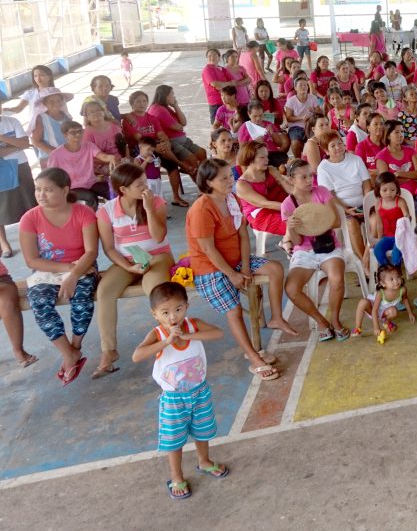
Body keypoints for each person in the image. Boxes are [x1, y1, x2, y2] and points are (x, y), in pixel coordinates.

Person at [185, 158, 284, 381]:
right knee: (234, 311)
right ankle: (253, 357)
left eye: (231, 176)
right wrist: (232, 274)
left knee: (275, 268)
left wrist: (246, 268)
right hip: (210, 268)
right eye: (224, 178)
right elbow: (208, 250)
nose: (231, 181)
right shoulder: (201, 209)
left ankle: (276, 317)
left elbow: (242, 234)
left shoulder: (232, 200)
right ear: (209, 182)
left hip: (236, 260)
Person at [131, 282, 227, 500]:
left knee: (202, 430)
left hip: (200, 391)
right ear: (155, 314)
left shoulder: (193, 325)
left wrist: (187, 336)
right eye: (165, 312)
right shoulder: (156, 333)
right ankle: (176, 476)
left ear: (186, 306)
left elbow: (218, 333)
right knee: (174, 440)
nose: (172, 317)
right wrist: (167, 342)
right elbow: (137, 356)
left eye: (178, 309)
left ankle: (204, 462)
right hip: (173, 399)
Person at [92, 163, 180, 378]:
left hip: (158, 257)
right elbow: (109, 249)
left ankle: (169, 340)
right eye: (139, 184)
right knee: (105, 291)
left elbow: (158, 237)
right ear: (123, 189)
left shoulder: (155, 201)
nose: (145, 186)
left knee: (156, 290)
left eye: (145, 181)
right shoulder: (107, 211)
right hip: (126, 261)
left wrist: (149, 208)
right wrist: (128, 266)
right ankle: (109, 351)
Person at [18, 168, 99, 384]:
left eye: (48, 190)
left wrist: (75, 273)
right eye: (38, 189)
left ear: (65, 190)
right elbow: (31, 260)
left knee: (82, 299)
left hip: (83, 267)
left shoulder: (84, 213)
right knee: (39, 301)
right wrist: (67, 270)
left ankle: (76, 345)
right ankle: (68, 353)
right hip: (47, 270)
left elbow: (91, 252)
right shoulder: (30, 218)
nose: (41, 195)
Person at [280, 159, 350, 340]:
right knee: (291, 288)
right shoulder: (287, 205)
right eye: (303, 177)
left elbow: (335, 222)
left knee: (336, 278)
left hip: (327, 245)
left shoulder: (322, 192)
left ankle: (335, 321)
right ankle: (322, 322)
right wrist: (293, 227)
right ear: (291, 180)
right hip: (304, 251)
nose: (309, 180)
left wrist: (314, 221)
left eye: (310, 175)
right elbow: (296, 241)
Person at [0, 97, 36, 257]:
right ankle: (4, 244)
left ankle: (34, 237)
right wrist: (13, 145)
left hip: (20, 166)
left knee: (29, 203)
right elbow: (18, 145)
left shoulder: (11, 121)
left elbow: (24, 143)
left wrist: (1, 138)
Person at [235, 141, 292, 240]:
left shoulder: (270, 170)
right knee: (296, 225)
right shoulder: (242, 184)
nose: (267, 160)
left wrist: (300, 198)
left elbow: (284, 182)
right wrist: (293, 206)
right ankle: (289, 245)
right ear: (250, 158)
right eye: (262, 157)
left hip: (278, 205)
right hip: (261, 215)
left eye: (267, 156)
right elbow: (265, 203)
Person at [149, 85, 206, 177]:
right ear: (166, 96)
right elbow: (179, 127)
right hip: (172, 142)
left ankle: (203, 175)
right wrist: (180, 125)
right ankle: (200, 182)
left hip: (181, 140)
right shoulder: (159, 110)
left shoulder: (166, 107)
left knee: (202, 153)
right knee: (192, 160)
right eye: (172, 94)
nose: (174, 96)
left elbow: (183, 122)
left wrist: (176, 106)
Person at [353, 264, 414, 339]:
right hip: (373, 310)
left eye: (398, 277)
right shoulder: (381, 293)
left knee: (394, 311)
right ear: (383, 283)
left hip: (385, 313)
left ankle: (387, 323)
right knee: (363, 302)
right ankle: (357, 328)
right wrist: (376, 328)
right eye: (391, 279)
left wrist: (410, 313)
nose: (396, 281)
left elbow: (405, 299)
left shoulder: (403, 290)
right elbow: (374, 311)